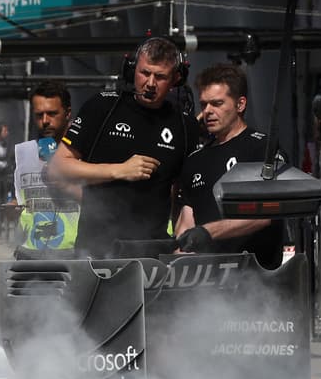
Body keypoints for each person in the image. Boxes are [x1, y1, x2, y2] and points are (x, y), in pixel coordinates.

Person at [49, 37, 199, 258]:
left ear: (176, 79)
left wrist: (181, 242)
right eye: (144, 73)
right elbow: (58, 167)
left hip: (153, 252)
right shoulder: (102, 107)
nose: (150, 83)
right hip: (95, 249)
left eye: (160, 77)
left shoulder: (185, 125)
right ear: (131, 70)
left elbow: (182, 195)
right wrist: (119, 170)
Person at [173, 63, 285, 269]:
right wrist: (175, 260)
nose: (207, 111)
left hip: (257, 281)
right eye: (204, 104)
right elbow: (187, 223)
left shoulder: (262, 148)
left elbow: (267, 214)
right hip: (207, 285)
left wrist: (208, 232)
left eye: (217, 103)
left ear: (240, 104)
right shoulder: (194, 159)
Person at [12, 81, 80, 257]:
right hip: (29, 253)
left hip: (74, 253)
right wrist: (13, 209)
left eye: (52, 114)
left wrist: (66, 186)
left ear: (68, 113)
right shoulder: (23, 152)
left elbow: (103, 201)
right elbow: (24, 200)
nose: (44, 121)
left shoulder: (86, 151)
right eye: (39, 115)